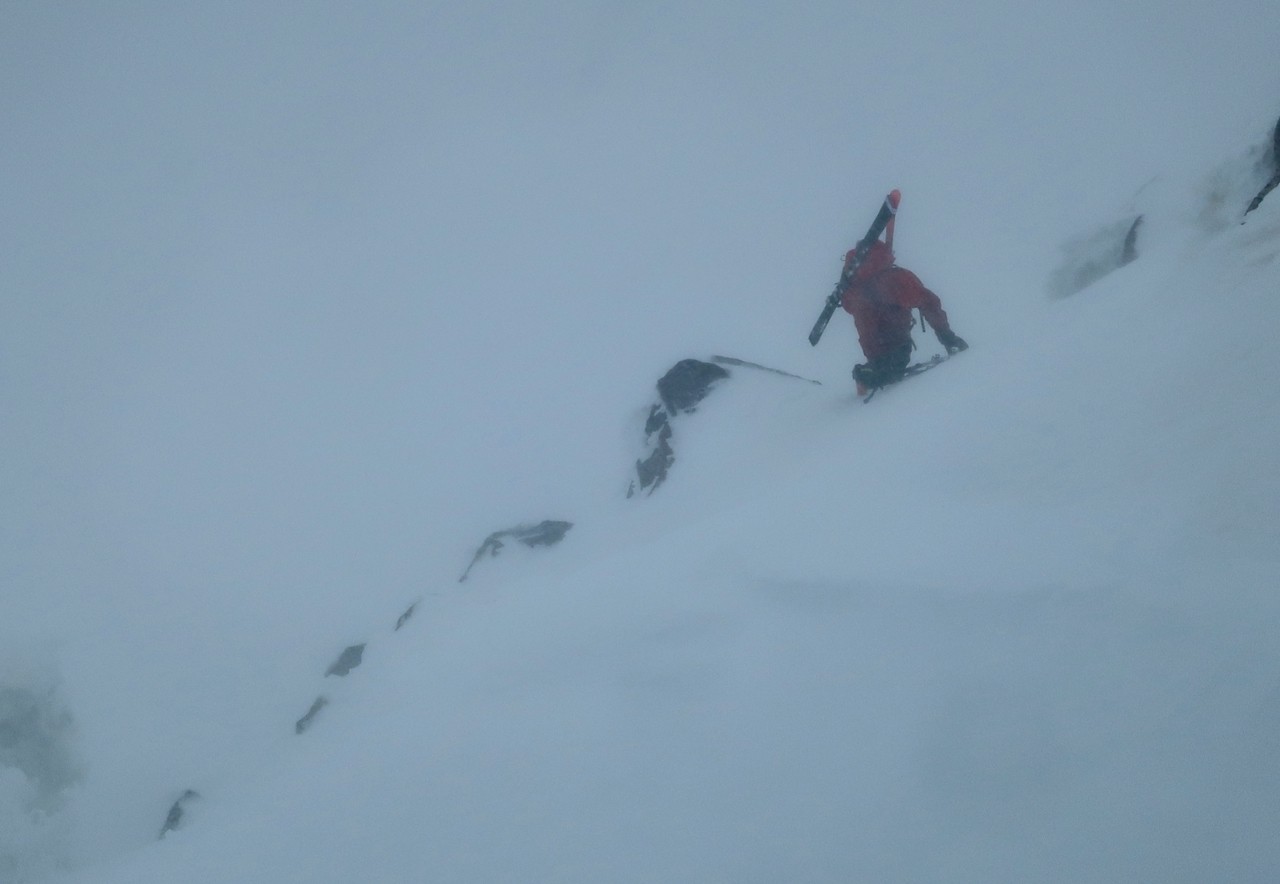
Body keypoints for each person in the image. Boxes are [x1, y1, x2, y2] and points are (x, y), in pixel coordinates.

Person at [839, 239, 967, 394]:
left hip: (872, 348)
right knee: (894, 364)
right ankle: (875, 374)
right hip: (897, 341)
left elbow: (849, 306)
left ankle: (871, 373)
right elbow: (928, 302)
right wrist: (946, 335)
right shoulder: (897, 279)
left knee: (883, 364)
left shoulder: (852, 287)